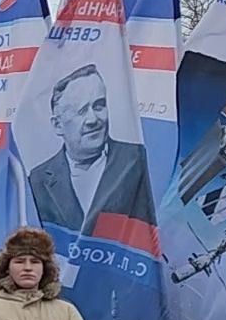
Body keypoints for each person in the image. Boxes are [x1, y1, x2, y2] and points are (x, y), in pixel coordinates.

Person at [28, 64, 156, 237]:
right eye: (81, 111)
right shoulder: (38, 181)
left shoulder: (138, 159)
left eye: (98, 106)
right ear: (58, 125)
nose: (92, 120)